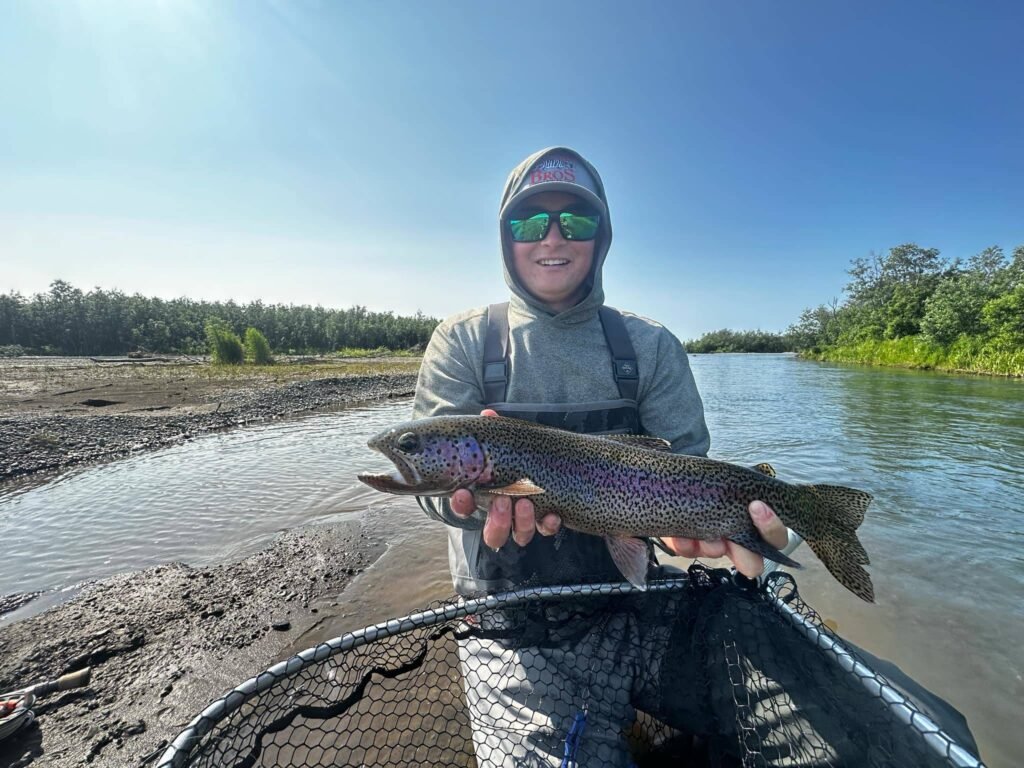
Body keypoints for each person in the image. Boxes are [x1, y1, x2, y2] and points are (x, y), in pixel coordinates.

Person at [411, 147, 979, 767]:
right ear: (505, 236)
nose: (552, 237)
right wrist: (471, 504)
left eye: (575, 222)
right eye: (528, 223)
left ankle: (821, 523)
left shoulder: (650, 346)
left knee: (866, 733)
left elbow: (687, 475)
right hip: (513, 623)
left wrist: (714, 535)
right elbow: (434, 486)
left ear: (601, 239)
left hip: (638, 596)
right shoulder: (465, 341)